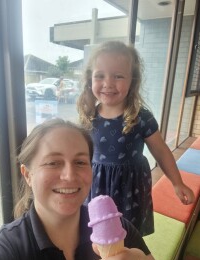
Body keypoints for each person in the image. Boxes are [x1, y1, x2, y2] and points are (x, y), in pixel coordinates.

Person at [0, 118, 162, 260]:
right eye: (53, 163)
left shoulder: (119, 229)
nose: (69, 176)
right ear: (27, 175)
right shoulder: (7, 250)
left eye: (80, 162)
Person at [77, 40, 195, 236]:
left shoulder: (141, 117)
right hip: (97, 185)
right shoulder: (88, 115)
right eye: (100, 76)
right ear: (90, 79)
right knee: (98, 231)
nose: (108, 83)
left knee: (129, 233)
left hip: (130, 188)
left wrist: (177, 182)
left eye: (118, 76)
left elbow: (161, 151)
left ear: (133, 81)